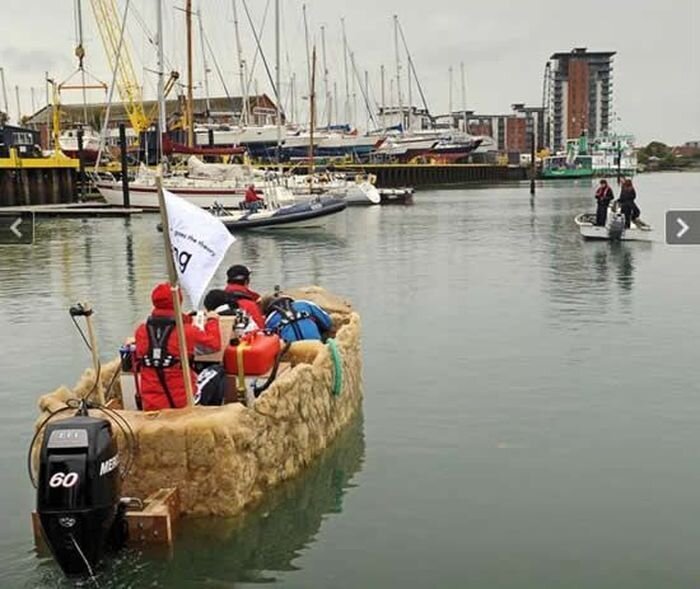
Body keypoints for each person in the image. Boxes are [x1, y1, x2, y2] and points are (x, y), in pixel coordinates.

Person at [134, 283, 221, 410]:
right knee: (218, 372)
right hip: (182, 403)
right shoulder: (186, 332)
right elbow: (214, 345)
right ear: (178, 301)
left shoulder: (141, 331)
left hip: (150, 404)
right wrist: (213, 321)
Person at [263, 295, 333, 342]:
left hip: (292, 350)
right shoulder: (304, 303)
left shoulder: (269, 321)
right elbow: (327, 322)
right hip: (315, 343)